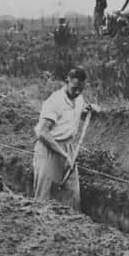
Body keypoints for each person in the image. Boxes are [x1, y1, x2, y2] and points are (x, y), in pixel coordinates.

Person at [33, 67, 98, 210]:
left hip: (68, 148)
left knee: (72, 194)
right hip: (49, 149)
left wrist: (88, 110)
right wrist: (63, 155)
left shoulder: (78, 98)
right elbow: (43, 132)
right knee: (46, 196)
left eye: (81, 89)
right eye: (74, 88)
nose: (77, 92)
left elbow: (73, 114)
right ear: (67, 81)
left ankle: (70, 228)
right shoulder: (55, 101)